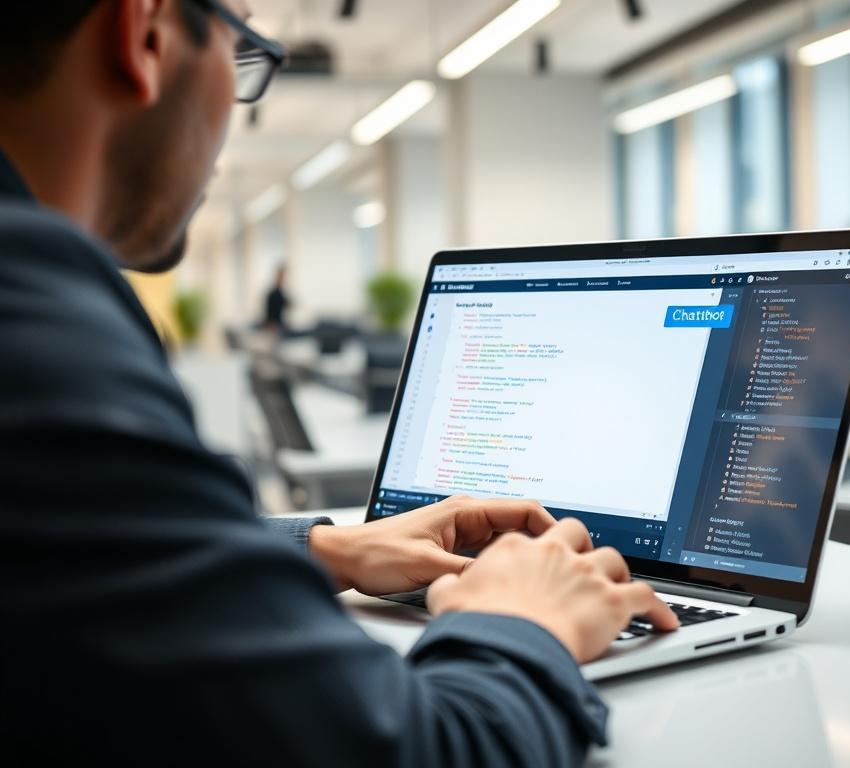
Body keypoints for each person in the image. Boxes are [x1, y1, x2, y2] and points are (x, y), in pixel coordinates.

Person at [0, 2, 677, 766]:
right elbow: (408, 752)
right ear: (144, 33)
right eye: (244, 52)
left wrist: (318, 547)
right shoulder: (30, 318)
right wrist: (519, 621)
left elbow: (73, 550)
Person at [262, 263, 290, 333]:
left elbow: (286, 304)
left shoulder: (281, 293)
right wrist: (271, 325)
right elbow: (269, 313)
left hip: (280, 324)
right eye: (281, 276)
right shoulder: (272, 294)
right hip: (274, 327)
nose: (283, 279)